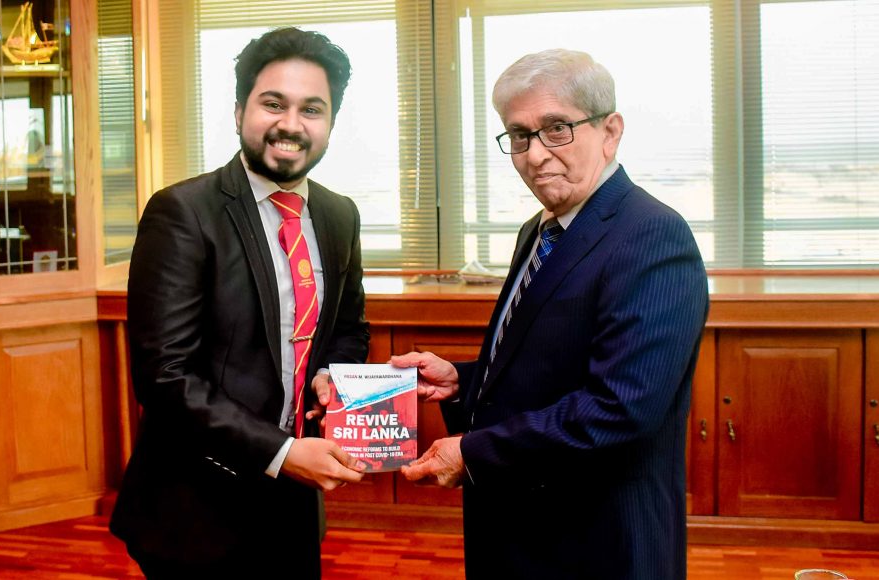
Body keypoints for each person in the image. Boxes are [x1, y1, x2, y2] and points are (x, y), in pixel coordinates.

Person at [393, 49, 709, 579]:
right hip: (521, 525)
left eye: (556, 128)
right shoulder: (540, 230)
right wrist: (461, 380)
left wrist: (473, 452)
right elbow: (544, 364)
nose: (535, 155)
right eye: (519, 135)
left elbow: (620, 408)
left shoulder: (652, 234)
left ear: (610, 131)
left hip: (596, 538)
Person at [110, 27, 369, 578]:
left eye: (312, 109)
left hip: (294, 507)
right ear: (238, 112)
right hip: (194, 512)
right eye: (273, 103)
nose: (291, 124)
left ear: (330, 124)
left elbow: (348, 329)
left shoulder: (339, 214)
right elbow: (165, 377)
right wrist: (282, 452)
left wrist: (332, 375)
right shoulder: (183, 212)